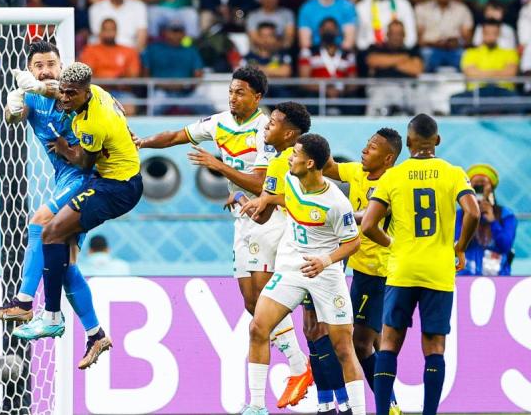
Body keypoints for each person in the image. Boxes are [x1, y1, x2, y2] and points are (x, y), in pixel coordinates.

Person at [135, 68, 312, 408]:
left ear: (256, 97)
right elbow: (175, 136)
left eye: (240, 92)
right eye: (231, 91)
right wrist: (142, 142)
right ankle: (297, 366)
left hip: (267, 217)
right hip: (242, 218)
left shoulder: (266, 130)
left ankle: (298, 367)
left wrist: (220, 167)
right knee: (250, 302)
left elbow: (262, 183)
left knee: (263, 299)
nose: (233, 97)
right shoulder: (218, 123)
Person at [0, 42, 107, 370]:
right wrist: (12, 106)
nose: (45, 70)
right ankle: (95, 334)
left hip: (88, 176)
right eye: (38, 65)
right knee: (63, 265)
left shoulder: (71, 93)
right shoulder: (32, 96)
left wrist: (36, 87)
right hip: (65, 179)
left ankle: (23, 302)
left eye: (51, 63)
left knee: (39, 222)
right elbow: (16, 117)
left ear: (62, 65)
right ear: (31, 68)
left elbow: (54, 92)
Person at [11, 62, 142, 370]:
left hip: (116, 188)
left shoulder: (92, 124)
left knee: (49, 233)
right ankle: (95, 334)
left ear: (85, 92)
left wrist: (62, 147)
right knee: (64, 257)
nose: (65, 99)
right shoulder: (96, 92)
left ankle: (50, 316)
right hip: (110, 180)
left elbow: (83, 163)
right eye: (64, 92)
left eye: (71, 94)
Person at [361, 113, 480, 415]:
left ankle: (382, 412)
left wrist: (393, 245)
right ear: (437, 141)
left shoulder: (393, 176)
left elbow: (369, 226)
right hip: (438, 270)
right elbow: (473, 212)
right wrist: (460, 247)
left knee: (389, 342)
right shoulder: (453, 173)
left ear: (409, 141)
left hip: (402, 269)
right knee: (434, 346)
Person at [240, 133, 367, 415]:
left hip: (326, 273)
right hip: (292, 267)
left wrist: (326, 260)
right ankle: (257, 406)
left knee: (343, 348)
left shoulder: (336, 203)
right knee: (258, 327)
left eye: (295, 154)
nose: (289, 157)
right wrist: (267, 199)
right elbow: (292, 200)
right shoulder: (290, 178)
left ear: (310, 163)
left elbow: (353, 242)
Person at [322, 128, 403, 413]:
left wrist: (332, 215)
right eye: (366, 145)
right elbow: (328, 166)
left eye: (373, 148)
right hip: (359, 269)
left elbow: (367, 219)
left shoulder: (393, 184)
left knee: (361, 344)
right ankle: (391, 404)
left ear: (388, 157)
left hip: (378, 273)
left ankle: (387, 406)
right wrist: (302, 144)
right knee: (377, 342)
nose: (365, 150)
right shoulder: (357, 171)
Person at [455, 164, 517, 275]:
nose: (479, 188)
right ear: (469, 188)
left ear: (491, 188)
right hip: (464, 278)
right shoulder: (459, 215)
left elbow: (506, 246)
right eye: (476, 185)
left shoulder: (506, 215)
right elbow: (456, 245)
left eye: (483, 185)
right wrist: (472, 217)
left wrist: (493, 221)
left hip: (497, 279)